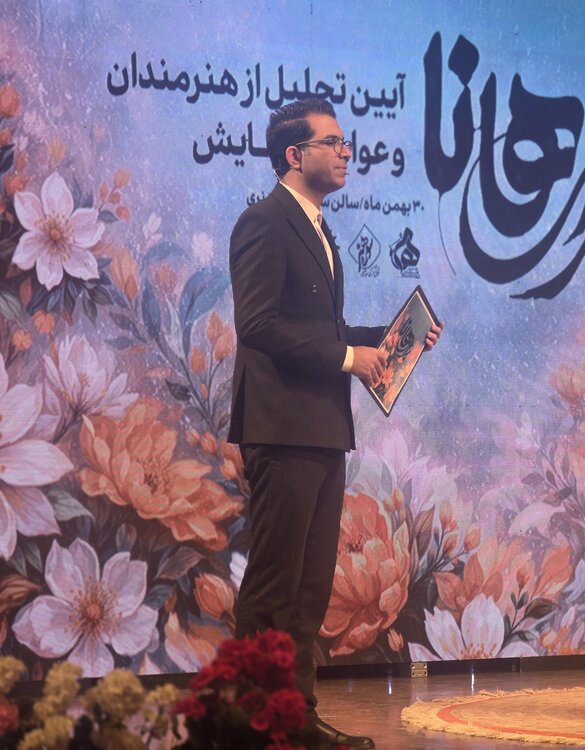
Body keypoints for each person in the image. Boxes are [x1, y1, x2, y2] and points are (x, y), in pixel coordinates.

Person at [227, 98, 442, 749]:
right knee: (274, 584)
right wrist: (351, 357)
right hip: (282, 429)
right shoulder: (264, 222)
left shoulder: (319, 228)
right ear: (296, 155)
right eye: (334, 142)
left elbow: (321, 329)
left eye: (346, 143)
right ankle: (251, 724)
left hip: (319, 430)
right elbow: (259, 325)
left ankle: (294, 719)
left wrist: (390, 340)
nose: (347, 152)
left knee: (308, 588)